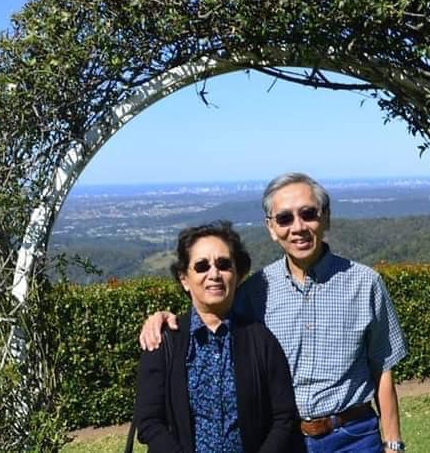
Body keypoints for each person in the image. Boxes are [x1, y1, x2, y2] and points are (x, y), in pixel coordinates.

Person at [140, 173, 408, 452]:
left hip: (352, 437)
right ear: (271, 227)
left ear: (326, 218)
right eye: (285, 218)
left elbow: (382, 367)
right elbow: (210, 313)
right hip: (285, 441)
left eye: (308, 214)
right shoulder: (255, 292)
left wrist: (393, 443)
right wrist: (162, 319)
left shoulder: (365, 284)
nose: (298, 227)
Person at [133, 220, 304, 452]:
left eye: (224, 265)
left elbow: (284, 417)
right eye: (201, 266)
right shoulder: (165, 342)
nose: (214, 274)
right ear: (184, 279)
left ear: (238, 274)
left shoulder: (261, 340)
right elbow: (149, 422)